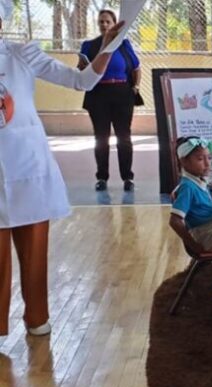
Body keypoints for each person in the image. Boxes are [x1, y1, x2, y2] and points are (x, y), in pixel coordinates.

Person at [0, 1, 123, 336]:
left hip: (28, 166)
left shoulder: (21, 55)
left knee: (34, 249)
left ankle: (37, 318)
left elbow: (82, 81)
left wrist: (108, 46)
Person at [78, 9, 141, 192]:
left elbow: (136, 68)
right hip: (99, 95)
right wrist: (82, 66)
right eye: (101, 22)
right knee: (101, 138)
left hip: (122, 94)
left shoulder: (123, 44)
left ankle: (127, 178)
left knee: (124, 137)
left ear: (115, 24)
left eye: (108, 22)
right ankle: (102, 178)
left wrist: (135, 87)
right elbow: (82, 71)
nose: (104, 25)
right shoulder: (89, 46)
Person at [169, 137, 212, 253]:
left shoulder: (196, 181)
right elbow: (174, 221)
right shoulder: (188, 187)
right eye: (200, 159)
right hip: (208, 236)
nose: (207, 163)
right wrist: (194, 245)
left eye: (209, 158)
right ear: (183, 161)